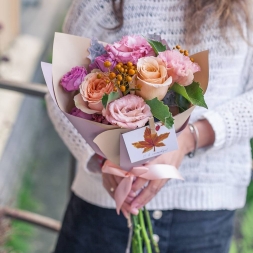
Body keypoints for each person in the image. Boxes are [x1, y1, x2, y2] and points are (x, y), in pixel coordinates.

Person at [45, 0, 253, 252]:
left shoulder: (244, 8)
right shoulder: (98, 4)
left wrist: (189, 138)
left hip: (203, 215)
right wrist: (103, 158)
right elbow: (60, 89)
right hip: (106, 209)